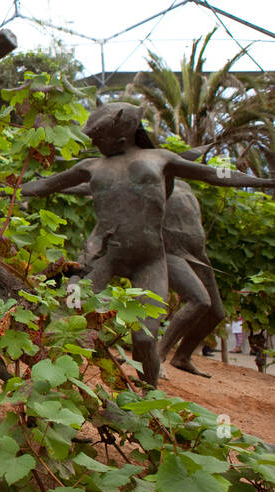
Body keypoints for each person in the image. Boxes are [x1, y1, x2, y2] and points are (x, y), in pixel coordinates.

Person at [21, 102, 274, 386]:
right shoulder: (91, 167)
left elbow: (213, 174)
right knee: (70, 310)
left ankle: (149, 398)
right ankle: (48, 381)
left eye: (99, 139)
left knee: (143, 337)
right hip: (105, 257)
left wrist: (262, 180)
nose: (95, 145)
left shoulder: (160, 158)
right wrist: (3, 187)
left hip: (150, 261)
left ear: (122, 136)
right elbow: (45, 185)